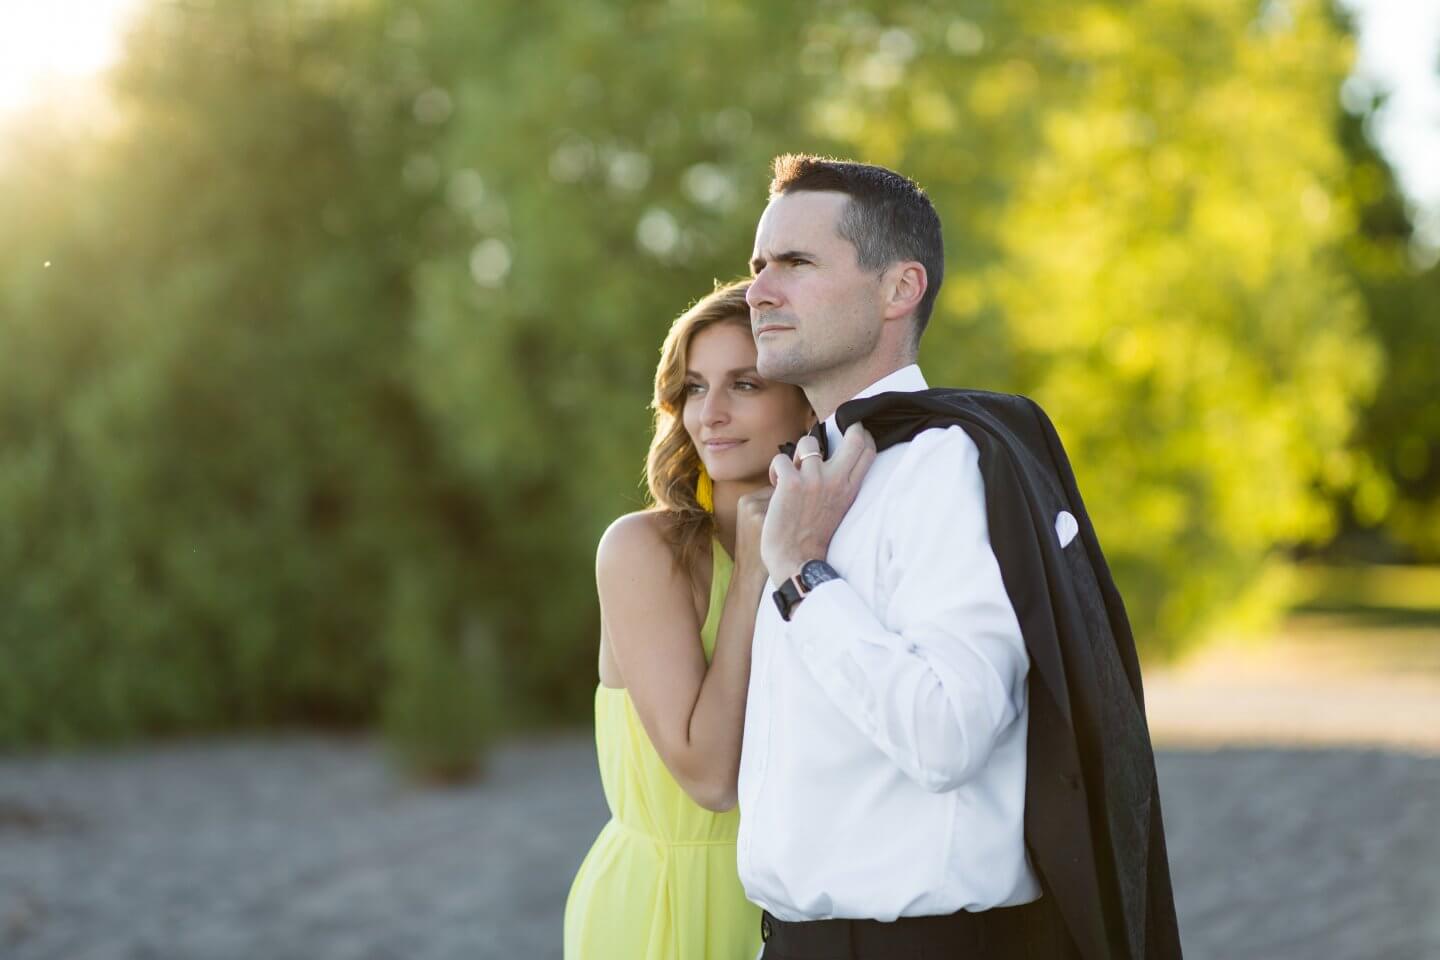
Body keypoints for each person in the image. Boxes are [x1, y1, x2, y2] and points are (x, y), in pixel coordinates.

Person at [738, 155, 1182, 959]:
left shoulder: (942, 466)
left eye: (795, 263)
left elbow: (946, 734)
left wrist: (804, 577)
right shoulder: (810, 476)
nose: (758, 291)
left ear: (899, 290)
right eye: (758, 264)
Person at [563, 280, 822, 960]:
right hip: (665, 908)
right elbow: (710, 778)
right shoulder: (642, 551)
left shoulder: (839, 547)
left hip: (804, 899)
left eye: (745, 384)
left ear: (805, 403)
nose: (711, 413)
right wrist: (753, 570)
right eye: (695, 388)